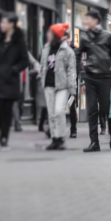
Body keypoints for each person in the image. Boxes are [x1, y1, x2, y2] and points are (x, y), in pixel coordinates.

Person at [75, 10, 111, 152]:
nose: (86, 22)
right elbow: (78, 55)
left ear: (95, 21)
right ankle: (94, 142)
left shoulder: (108, 36)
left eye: (88, 19)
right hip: (91, 78)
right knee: (92, 110)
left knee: (106, 109)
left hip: (105, 78)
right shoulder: (85, 38)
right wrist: (82, 72)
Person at [0, 14, 34, 151]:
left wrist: (13, 70)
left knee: (7, 110)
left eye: (4, 22)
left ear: (12, 24)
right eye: (1, 22)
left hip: (10, 80)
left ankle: (4, 138)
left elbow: (24, 61)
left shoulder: (19, 41)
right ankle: (1, 130)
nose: (1, 25)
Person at [39, 23, 76, 151]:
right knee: (51, 114)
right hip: (48, 85)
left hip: (62, 85)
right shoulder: (46, 48)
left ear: (55, 35)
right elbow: (43, 64)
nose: (47, 35)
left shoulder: (68, 51)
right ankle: (55, 138)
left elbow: (71, 70)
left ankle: (60, 137)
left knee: (59, 111)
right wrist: (41, 77)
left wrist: (72, 88)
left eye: (50, 33)